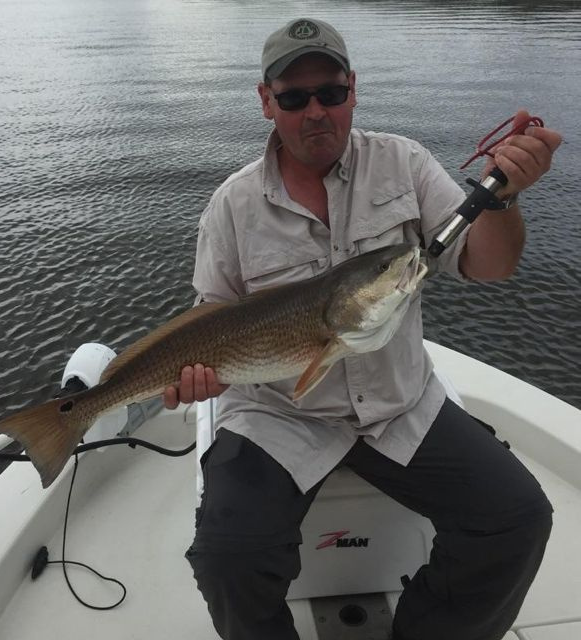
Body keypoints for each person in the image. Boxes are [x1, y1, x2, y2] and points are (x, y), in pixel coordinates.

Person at [164, 17, 562, 640]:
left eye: (331, 92)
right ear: (266, 102)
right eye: (294, 97)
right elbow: (209, 320)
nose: (315, 111)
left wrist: (505, 198)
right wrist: (192, 380)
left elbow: (490, 265)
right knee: (228, 557)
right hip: (279, 416)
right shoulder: (232, 206)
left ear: (353, 89)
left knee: (517, 517)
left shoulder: (403, 163)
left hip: (399, 403)